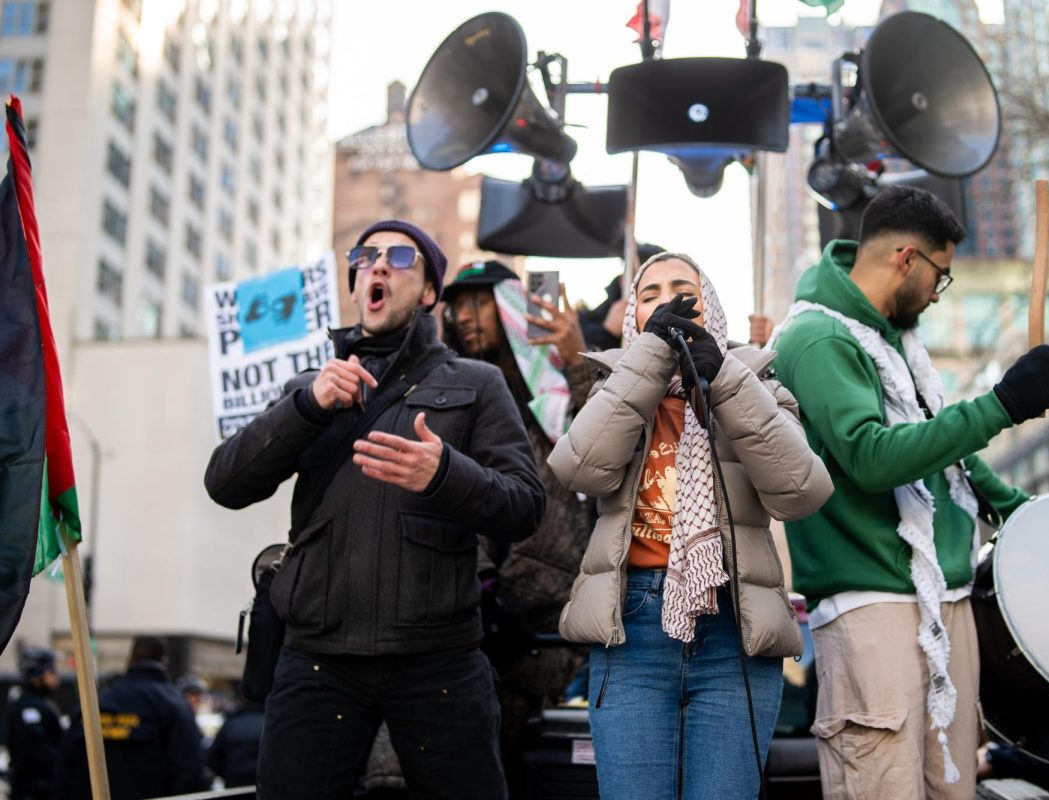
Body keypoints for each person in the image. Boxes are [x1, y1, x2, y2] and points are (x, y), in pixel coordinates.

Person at [204, 219, 545, 800]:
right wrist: (305, 407)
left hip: (439, 662)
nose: (378, 265)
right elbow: (226, 482)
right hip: (318, 659)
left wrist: (444, 473)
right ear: (357, 285)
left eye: (400, 257)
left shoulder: (477, 383)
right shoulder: (310, 387)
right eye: (365, 257)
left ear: (430, 291)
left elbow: (525, 505)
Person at [767, 185, 1049, 800]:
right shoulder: (818, 338)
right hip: (871, 605)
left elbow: (943, 454)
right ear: (907, 258)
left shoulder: (893, 338)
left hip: (942, 597)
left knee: (953, 791)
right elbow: (872, 458)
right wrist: (1002, 403)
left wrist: (1025, 514)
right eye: (940, 276)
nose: (937, 293)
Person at [547, 252, 834, 800]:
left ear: (712, 308)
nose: (667, 302)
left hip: (734, 631)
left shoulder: (758, 382)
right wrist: (650, 360)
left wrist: (724, 379)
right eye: (650, 294)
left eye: (683, 288)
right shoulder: (612, 385)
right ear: (634, 316)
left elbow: (802, 490)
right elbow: (577, 469)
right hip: (631, 628)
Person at [440, 260, 596, 789]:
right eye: (456, 304)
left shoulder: (551, 386)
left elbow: (605, 443)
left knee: (515, 768)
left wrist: (577, 358)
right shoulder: (446, 388)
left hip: (543, 618)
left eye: (478, 301)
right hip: (461, 606)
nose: (464, 315)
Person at [54, 636, 207, 800]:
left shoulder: (97, 703)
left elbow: (64, 768)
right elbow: (191, 771)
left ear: (130, 660)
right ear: (164, 661)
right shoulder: (175, 706)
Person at [5, 647, 63, 800]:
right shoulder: (28, 708)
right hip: (34, 791)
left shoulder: (42, 703)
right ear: (37, 677)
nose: (56, 677)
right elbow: (38, 751)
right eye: (51, 672)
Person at [206, 697, 265, 790]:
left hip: (234, 785)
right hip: (264, 786)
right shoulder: (271, 722)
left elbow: (213, 758)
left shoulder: (232, 722)